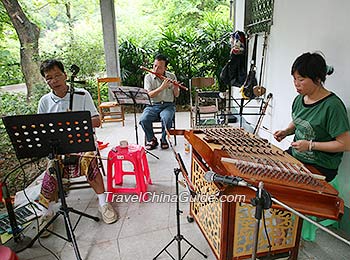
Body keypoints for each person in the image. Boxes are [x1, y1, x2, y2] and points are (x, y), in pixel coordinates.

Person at [37, 59, 118, 236]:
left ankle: (103, 203)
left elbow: (97, 120)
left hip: (82, 143)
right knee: (51, 168)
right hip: (58, 147)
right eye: (49, 78)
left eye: (57, 75)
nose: (54, 80)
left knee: (89, 160)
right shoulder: (44, 101)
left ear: (65, 75)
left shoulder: (82, 94)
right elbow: (41, 130)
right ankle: (46, 212)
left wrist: (74, 122)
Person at [274, 52, 350, 182]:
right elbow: (299, 120)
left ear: (318, 79)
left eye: (301, 79)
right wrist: (286, 131)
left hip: (320, 165)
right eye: (294, 79)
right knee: (268, 172)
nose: (296, 84)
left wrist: (310, 145)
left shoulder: (332, 106)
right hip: (296, 156)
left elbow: (346, 144)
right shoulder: (299, 99)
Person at [139, 54, 180, 150]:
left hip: (168, 105)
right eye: (154, 66)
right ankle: (152, 139)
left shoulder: (171, 76)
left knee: (167, 119)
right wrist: (162, 88)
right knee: (143, 120)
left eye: (159, 67)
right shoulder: (148, 77)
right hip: (152, 105)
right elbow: (148, 95)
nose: (156, 69)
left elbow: (176, 95)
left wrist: (176, 87)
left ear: (165, 68)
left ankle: (163, 139)